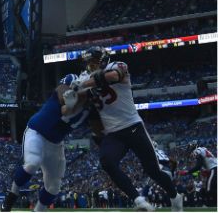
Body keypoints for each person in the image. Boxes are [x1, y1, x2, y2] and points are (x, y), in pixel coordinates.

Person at [71, 48, 183, 211]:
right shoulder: (86, 78)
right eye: (88, 64)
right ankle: (139, 200)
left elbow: (113, 76)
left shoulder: (117, 66)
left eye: (93, 62)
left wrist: (83, 84)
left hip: (133, 126)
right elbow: (83, 105)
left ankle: (175, 196)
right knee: (107, 162)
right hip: (113, 133)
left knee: (153, 171)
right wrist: (71, 95)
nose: (90, 67)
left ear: (103, 60)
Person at [0, 74, 93, 212]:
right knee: (32, 163)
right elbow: (63, 97)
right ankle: (11, 197)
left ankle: (38, 210)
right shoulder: (69, 83)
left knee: (54, 186)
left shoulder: (90, 109)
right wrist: (77, 93)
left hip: (55, 143)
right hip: (37, 132)